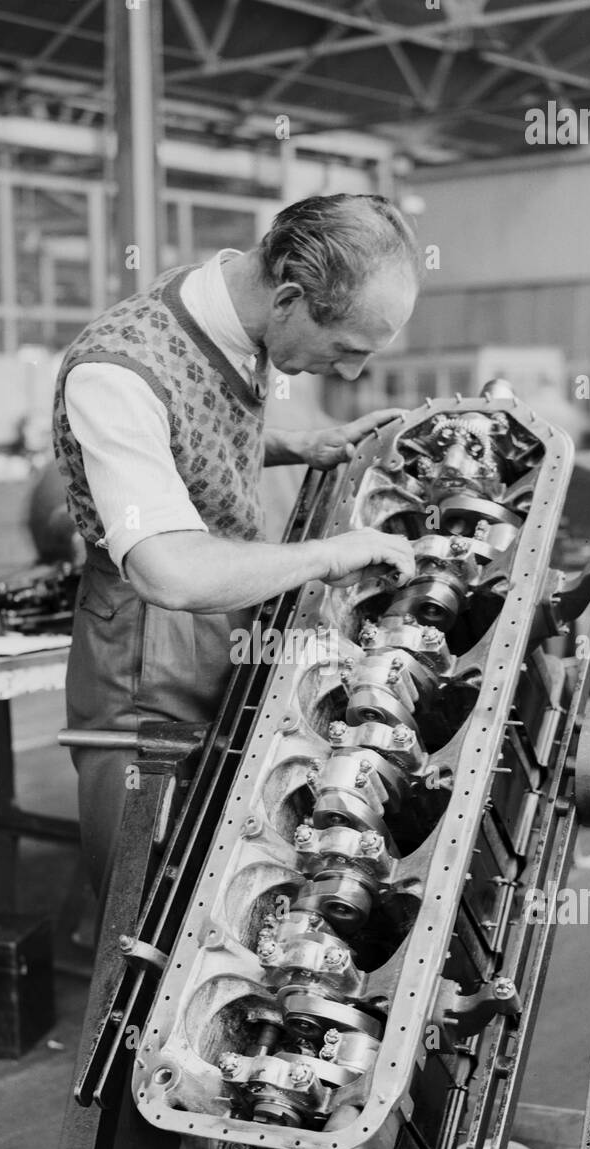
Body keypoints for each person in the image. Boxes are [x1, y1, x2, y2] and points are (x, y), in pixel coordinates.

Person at [54, 193, 422, 894]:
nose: (345, 374)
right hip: (150, 663)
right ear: (288, 296)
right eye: (344, 349)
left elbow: (190, 437)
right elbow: (170, 573)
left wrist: (294, 445)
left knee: (230, 880)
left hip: (225, 621)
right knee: (147, 921)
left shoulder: (226, 313)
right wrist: (329, 553)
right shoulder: (118, 374)